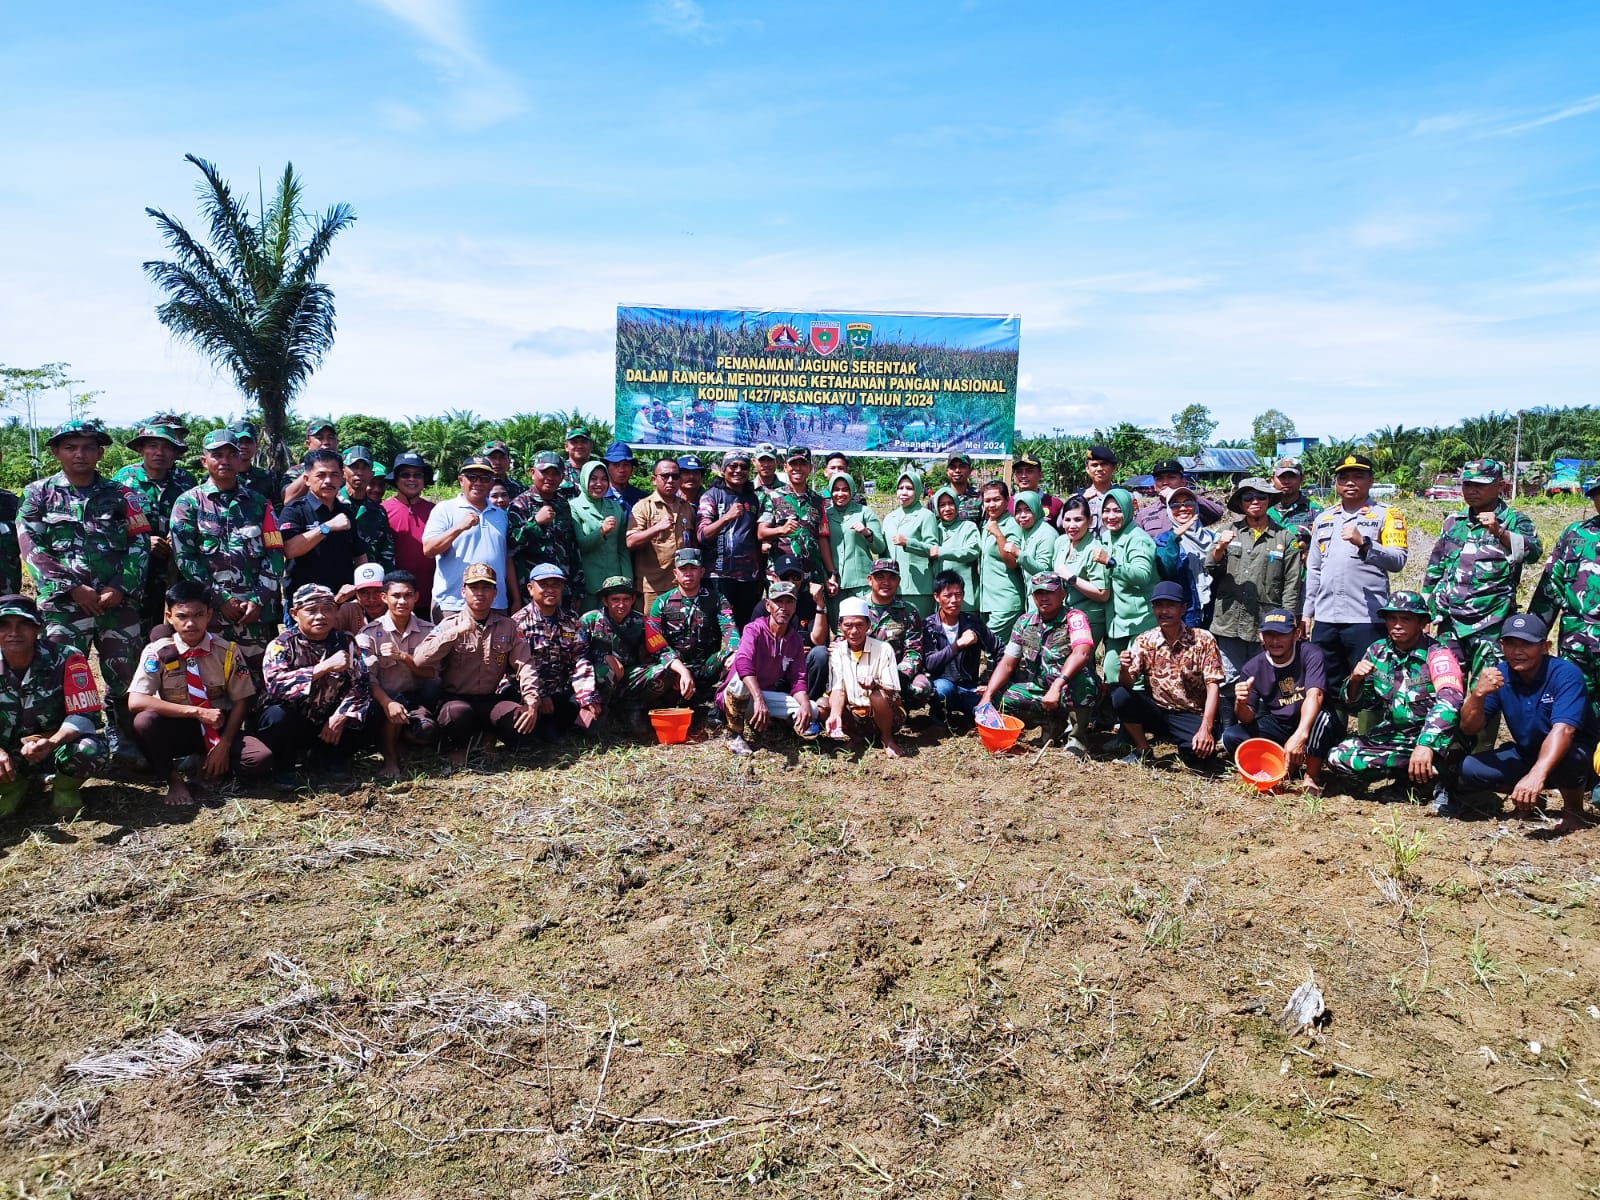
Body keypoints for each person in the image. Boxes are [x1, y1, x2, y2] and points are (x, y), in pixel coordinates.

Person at [19, 418, 152, 765]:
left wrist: (119, 587)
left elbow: (139, 543)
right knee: (60, 676)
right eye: (70, 447)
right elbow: (32, 548)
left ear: (99, 453)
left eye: (88, 447)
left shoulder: (123, 494)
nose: (80, 454)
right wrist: (73, 588)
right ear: (56, 452)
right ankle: (62, 749)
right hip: (64, 608)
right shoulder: (38, 494)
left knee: (125, 674)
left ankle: (123, 739)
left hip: (116, 606)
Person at [128, 580, 271, 806]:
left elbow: (241, 701)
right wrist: (196, 712)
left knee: (259, 759)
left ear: (209, 614)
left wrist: (224, 744)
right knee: (144, 721)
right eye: (182, 616)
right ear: (169, 616)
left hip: (218, 725)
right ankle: (173, 779)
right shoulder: (156, 652)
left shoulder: (226, 650)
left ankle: (208, 762)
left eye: (198, 615)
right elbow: (136, 701)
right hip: (178, 725)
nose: (191, 623)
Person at [1456, 613, 1597, 832]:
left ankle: (1574, 811)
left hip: (1575, 756)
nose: (1517, 651)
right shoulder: (1500, 675)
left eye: (1527, 644)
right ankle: (1528, 798)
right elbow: (1469, 727)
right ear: (1501, 645)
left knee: (1571, 756)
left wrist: (1536, 774)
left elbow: (1564, 731)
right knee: (1470, 768)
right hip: (1529, 752)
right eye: (1510, 643)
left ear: (1545, 647)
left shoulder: (1565, 674)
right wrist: (1477, 695)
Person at [169, 429, 285, 687]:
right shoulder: (188, 504)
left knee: (260, 683)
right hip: (210, 615)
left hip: (254, 615)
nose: (225, 460)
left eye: (231, 454)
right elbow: (185, 557)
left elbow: (275, 553)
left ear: (240, 458)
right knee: (213, 683)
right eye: (217, 455)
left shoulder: (259, 503)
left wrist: (257, 599)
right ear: (204, 461)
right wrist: (220, 598)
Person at [1326, 592, 1463, 805]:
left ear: (1422, 623)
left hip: (1434, 738)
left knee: (1449, 759)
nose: (1397, 625)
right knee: (1338, 756)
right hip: (1397, 735)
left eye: (1405, 619)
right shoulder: (1377, 651)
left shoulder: (1438, 654)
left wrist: (1426, 744)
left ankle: (1432, 783)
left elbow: (1450, 701)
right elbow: (1361, 702)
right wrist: (1355, 681)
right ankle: (1406, 778)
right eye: (1392, 618)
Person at [1423, 459, 1542, 682]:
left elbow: (1533, 553)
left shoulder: (1515, 521)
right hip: (1450, 621)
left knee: (1487, 689)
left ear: (1500, 486)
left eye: (1480, 485)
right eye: (1467, 484)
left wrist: (1500, 532)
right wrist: (1425, 612)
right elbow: (1436, 567)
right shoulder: (1454, 521)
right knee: (1446, 686)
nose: (1472, 490)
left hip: (1491, 623)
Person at [1302, 452, 1409, 698]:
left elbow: (1397, 560)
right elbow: (1314, 569)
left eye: (1358, 476)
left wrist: (1365, 544)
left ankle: (1369, 724)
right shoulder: (1323, 518)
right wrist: (1308, 613)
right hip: (1326, 618)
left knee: (1371, 685)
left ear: (1371, 480)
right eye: (1344, 477)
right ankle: (1333, 723)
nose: (1350, 482)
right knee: (1326, 685)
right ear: (1336, 483)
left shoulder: (1387, 515)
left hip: (1365, 617)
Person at [412, 563, 540, 765]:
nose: (480, 593)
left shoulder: (508, 626)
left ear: (495, 593)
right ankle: (460, 746)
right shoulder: (449, 625)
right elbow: (420, 659)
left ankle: (486, 736)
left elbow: (525, 665)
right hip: (456, 700)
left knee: (518, 719)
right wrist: (456, 633)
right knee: (457, 715)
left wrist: (531, 701)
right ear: (463, 592)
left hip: (490, 699)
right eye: (474, 587)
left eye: (486, 587)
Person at [0, 593, 107, 818]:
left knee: (90, 748)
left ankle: (64, 788)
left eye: (23, 624)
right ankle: (12, 786)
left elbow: (85, 716)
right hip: (6, 753)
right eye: (4, 625)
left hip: (54, 748)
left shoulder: (67, 658)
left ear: (38, 628)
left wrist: (51, 742)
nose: (13, 632)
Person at [258, 584, 372, 786]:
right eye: (311, 610)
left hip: (329, 720)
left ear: (336, 612)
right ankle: (284, 768)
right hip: (296, 720)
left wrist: (341, 715)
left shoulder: (346, 641)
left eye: (327, 609)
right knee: (276, 716)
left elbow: (361, 684)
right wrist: (323, 668)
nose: (320, 616)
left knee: (370, 710)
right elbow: (276, 686)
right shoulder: (281, 644)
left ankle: (331, 759)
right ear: (294, 614)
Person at [980, 572, 1100, 754]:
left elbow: (1081, 653)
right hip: (1039, 688)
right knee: (998, 695)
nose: (1044, 598)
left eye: (1050, 592)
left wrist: (1057, 686)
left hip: (1068, 687)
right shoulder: (1024, 622)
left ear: (1062, 594)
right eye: (1039, 593)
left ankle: (1077, 739)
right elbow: (1007, 663)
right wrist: (988, 694)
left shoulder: (1075, 618)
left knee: (1085, 682)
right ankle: (1052, 724)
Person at [1221, 609, 1338, 794]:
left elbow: (1315, 695)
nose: (1275, 641)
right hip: (1280, 722)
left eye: (1282, 634)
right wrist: (1240, 702)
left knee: (1322, 720)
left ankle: (1311, 774)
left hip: (1311, 720)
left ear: (1296, 634)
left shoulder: (1310, 653)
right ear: (1261, 636)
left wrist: (1300, 735)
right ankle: (1285, 761)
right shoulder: (1252, 668)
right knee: (1232, 736)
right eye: (1269, 634)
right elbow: (1247, 718)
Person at [1111, 581, 1225, 767]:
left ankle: (1191, 739)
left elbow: (1213, 686)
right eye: (1159, 606)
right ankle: (1142, 748)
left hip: (1190, 712)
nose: (1164, 611)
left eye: (1170, 605)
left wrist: (1206, 727)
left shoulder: (1203, 639)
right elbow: (1127, 683)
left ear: (1183, 609)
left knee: (1201, 759)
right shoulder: (1145, 640)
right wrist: (1124, 668)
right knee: (1120, 695)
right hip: (1158, 710)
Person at [1208, 477, 1303, 682]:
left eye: (1261, 496)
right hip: (1229, 621)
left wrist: (1287, 624)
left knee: (1265, 678)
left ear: (1269, 500)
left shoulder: (1286, 538)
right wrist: (1220, 548)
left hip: (1266, 623)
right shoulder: (1227, 531)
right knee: (1228, 678)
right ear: (1240, 503)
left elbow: (1292, 584)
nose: (1255, 501)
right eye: (1248, 497)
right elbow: (1211, 567)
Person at [113, 422, 197, 636]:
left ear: (175, 453)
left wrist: (179, 536)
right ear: (141, 449)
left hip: (175, 569)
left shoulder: (186, 481)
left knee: (175, 631)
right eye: (152, 446)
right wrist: (144, 543)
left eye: (167, 447)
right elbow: (110, 525)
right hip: (136, 571)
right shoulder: (123, 480)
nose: (159, 453)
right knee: (135, 632)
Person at [717, 581, 817, 755]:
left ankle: (779, 727)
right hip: (737, 697)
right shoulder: (754, 630)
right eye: (778, 602)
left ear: (795, 607)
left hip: (763, 698)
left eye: (789, 602)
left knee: (812, 708)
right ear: (768, 605)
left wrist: (805, 704)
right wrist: (758, 700)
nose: (783, 607)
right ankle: (734, 734)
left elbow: (797, 679)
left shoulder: (794, 640)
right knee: (740, 680)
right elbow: (743, 662)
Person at [356, 569, 438, 779]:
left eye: (408, 595)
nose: (402, 601)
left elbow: (432, 673)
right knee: (388, 711)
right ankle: (390, 758)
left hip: (415, 698)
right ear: (384, 597)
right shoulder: (369, 634)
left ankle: (402, 738)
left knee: (425, 731)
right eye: (396, 596)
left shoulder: (430, 631)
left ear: (416, 597)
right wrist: (388, 703)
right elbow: (367, 678)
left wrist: (403, 657)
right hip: (381, 700)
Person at [1532, 475, 1600, 716]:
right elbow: (1550, 587)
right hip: (1576, 644)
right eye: (1598, 494)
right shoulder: (1576, 534)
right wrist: (1532, 637)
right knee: (1572, 708)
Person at [582, 577, 694, 723]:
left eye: (626, 599)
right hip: (595, 679)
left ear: (633, 600)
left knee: (665, 671)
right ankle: (600, 714)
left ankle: (633, 708)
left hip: (629, 676)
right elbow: (577, 656)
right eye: (615, 599)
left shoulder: (641, 621)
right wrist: (602, 660)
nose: (621, 605)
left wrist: (683, 671)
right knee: (605, 671)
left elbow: (662, 650)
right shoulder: (589, 620)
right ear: (605, 601)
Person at [510, 563, 602, 739]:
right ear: (530, 589)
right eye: (544, 585)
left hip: (560, 691)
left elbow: (580, 659)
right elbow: (516, 669)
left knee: (583, 710)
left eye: (556, 585)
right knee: (542, 735)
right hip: (527, 694)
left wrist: (587, 697)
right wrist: (540, 695)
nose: (550, 590)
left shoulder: (571, 619)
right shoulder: (517, 623)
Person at [422, 455, 516, 620]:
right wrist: (459, 527)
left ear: (491, 482)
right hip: (453, 604)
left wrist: (515, 598)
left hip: (495, 604)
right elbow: (429, 549)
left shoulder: (501, 514)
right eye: (472, 477)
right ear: (461, 480)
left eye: (484, 478)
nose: (478, 483)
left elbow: (507, 558)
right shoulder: (444, 509)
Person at [648, 549, 737, 701]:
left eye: (693, 568)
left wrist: (734, 651)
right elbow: (655, 643)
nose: (688, 573)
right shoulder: (662, 602)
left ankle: (723, 704)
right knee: (652, 673)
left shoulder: (717, 599)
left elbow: (730, 628)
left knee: (738, 657)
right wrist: (680, 669)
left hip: (707, 666)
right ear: (675, 573)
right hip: (675, 668)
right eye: (683, 569)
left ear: (701, 572)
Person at [821, 597, 905, 757]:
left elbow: (892, 690)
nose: (854, 631)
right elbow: (837, 690)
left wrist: (875, 685)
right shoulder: (837, 652)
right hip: (856, 715)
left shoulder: (884, 649)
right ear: (840, 627)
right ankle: (856, 737)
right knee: (822, 705)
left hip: (887, 715)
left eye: (859, 625)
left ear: (868, 625)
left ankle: (887, 738)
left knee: (877, 696)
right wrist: (835, 715)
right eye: (848, 625)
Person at [1093, 487, 1158, 685]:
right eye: (1106, 510)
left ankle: (1137, 705)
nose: (1111, 516)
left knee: (1135, 674)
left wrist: (1111, 563)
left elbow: (1143, 575)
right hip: (1117, 621)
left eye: (1117, 510)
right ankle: (1118, 704)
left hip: (1140, 620)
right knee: (1111, 669)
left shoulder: (1138, 538)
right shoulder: (1106, 537)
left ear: (1129, 511)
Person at [922, 570, 1002, 725]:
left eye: (958, 595)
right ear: (936, 597)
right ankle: (940, 717)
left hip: (970, 686)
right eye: (948, 595)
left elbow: (1000, 651)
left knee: (989, 718)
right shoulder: (929, 626)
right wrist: (959, 644)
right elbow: (929, 663)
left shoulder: (973, 622)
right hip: (942, 684)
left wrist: (990, 684)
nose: (954, 600)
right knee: (942, 689)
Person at [697, 450, 764, 625]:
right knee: (718, 627)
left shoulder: (753, 499)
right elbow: (702, 536)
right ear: (723, 469)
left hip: (748, 577)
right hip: (718, 576)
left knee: (745, 627)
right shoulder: (711, 495)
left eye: (743, 467)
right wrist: (726, 517)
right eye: (733, 466)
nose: (738, 470)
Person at [758, 447, 836, 595]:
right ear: (785, 467)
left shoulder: (818, 501)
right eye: (793, 464)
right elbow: (761, 533)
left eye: (803, 464)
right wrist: (781, 530)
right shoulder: (773, 497)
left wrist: (831, 573)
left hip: (811, 575)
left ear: (810, 468)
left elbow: (822, 538)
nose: (798, 468)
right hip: (782, 574)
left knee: (814, 610)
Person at [507, 451, 584, 602]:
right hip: (531, 591)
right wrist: (536, 523)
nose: (550, 477)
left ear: (562, 477)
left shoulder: (563, 505)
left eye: (555, 473)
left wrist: (578, 588)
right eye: (544, 472)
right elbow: (511, 546)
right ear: (532, 473)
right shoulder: (519, 504)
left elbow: (572, 548)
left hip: (562, 590)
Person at [628, 457, 697, 611]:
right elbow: (630, 541)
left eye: (675, 476)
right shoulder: (643, 507)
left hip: (681, 585)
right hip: (652, 587)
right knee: (652, 627)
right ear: (654, 479)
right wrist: (656, 528)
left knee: (679, 626)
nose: (671, 480)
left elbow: (693, 543)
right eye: (665, 476)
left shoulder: (687, 508)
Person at [862, 559, 933, 708]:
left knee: (921, 688)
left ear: (898, 581)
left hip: (897, 673)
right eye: (880, 577)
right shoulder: (856, 608)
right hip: (862, 672)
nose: (886, 582)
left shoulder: (908, 612)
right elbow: (841, 643)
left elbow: (914, 652)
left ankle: (900, 710)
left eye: (892, 577)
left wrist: (895, 676)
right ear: (870, 580)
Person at [1152, 484, 1216, 629]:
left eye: (1188, 503)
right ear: (1169, 510)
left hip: (1214, 613)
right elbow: (1166, 570)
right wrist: (1175, 537)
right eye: (1175, 505)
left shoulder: (1211, 538)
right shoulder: (1163, 540)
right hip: (1185, 614)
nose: (1182, 508)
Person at [1052, 495, 1110, 650]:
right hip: (1064, 614)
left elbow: (1103, 594)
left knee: (1080, 660)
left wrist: (1072, 578)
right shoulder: (1061, 542)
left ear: (1090, 521)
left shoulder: (1095, 550)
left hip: (1089, 616)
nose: (1072, 525)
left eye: (1078, 520)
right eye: (1067, 520)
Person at [569, 460, 629, 612]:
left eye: (604, 479)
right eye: (593, 479)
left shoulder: (615, 507)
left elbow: (622, 549)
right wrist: (601, 531)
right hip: (587, 584)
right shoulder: (573, 507)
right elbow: (579, 546)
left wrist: (627, 581)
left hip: (614, 584)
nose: (599, 484)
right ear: (584, 480)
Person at [383, 451, 436, 614]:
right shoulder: (383, 511)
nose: (412, 479)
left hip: (431, 596)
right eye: (405, 475)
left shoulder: (436, 511)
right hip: (396, 600)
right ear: (396, 479)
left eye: (417, 475)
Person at [882, 467, 939, 618]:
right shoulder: (889, 518)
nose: (904, 492)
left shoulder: (926, 516)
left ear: (918, 490)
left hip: (917, 588)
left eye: (909, 488)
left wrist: (908, 543)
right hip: (891, 587)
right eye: (900, 488)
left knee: (919, 628)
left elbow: (933, 548)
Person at [976, 480, 1026, 643]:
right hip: (987, 600)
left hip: (1005, 600)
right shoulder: (987, 524)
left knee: (992, 647)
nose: (991, 505)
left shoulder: (1012, 525)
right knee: (998, 649)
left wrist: (998, 535)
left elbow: (1012, 563)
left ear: (1007, 500)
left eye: (996, 499)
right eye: (987, 500)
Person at [340, 445, 396, 573]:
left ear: (371, 473)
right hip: (337, 578)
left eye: (365, 467)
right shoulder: (331, 505)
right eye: (354, 467)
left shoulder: (378, 512)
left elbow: (386, 551)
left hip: (369, 578)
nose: (359, 472)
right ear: (343, 471)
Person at [1137, 460, 1224, 537]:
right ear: (1155, 486)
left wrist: (1176, 494)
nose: (1165, 482)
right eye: (1159, 479)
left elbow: (1218, 512)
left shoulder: (1193, 506)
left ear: (1183, 482)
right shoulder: (1144, 513)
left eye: (1171, 477)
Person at [929, 486, 980, 609]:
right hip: (941, 597)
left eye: (950, 503)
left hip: (965, 597)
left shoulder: (968, 527)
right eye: (942, 505)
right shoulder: (935, 529)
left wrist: (942, 552)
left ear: (957, 505)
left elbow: (973, 551)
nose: (947, 508)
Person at [279, 419, 340, 506]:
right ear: (308, 444)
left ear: (337, 442)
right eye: (320, 438)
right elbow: (288, 499)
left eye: (331, 437)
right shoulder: (296, 471)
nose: (326, 442)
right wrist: (313, 469)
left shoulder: (346, 469)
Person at [1011, 490, 1060, 593]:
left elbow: (1045, 573)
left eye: (1028, 510)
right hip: (1031, 597)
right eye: (1018, 511)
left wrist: (1019, 554)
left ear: (1036, 509)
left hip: (1044, 598)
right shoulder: (1026, 531)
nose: (1022, 515)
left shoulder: (1046, 534)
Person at [1268, 457, 1320, 549]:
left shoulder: (1314, 512)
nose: (1287, 481)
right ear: (1272, 479)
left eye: (1292, 476)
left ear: (1301, 479)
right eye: (1282, 477)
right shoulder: (1263, 509)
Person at [930, 452, 985, 525]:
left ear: (970, 470)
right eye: (952, 467)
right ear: (947, 471)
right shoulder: (936, 499)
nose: (957, 470)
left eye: (962, 467)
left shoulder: (980, 496)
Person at [334, 562, 390, 633]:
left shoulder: (396, 608)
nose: (371, 599)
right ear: (356, 594)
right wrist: (336, 603)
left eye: (377, 591)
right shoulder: (350, 609)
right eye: (364, 593)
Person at [1010, 453, 1064, 527]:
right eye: (1019, 472)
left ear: (1040, 475)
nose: (1023, 476)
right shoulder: (1007, 504)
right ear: (1014, 476)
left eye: (1029, 471)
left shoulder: (1055, 504)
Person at [1076, 444, 1119, 535]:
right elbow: (1062, 524)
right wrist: (1081, 501)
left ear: (1114, 468)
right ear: (1087, 469)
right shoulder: (1078, 498)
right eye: (1094, 465)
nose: (1099, 469)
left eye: (1104, 464)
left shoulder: (1125, 498)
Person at [231, 422, 279, 503]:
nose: (243, 446)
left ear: (256, 446)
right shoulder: (217, 478)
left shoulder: (267, 477)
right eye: (239, 441)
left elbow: (277, 507)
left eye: (248, 442)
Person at [603, 442, 648, 518]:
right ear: (607, 468)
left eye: (626, 465)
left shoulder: (642, 499)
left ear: (632, 468)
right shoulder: (599, 497)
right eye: (616, 465)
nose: (621, 470)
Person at [481, 439, 526, 503]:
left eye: (502, 458)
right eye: (493, 457)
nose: (497, 462)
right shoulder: (477, 487)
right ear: (483, 460)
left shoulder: (521, 488)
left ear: (509, 461)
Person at [562, 426, 595, 497]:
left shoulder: (599, 471)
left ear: (591, 446)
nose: (579, 446)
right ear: (566, 447)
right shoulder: (559, 471)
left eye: (584, 442)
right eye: (574, 442)